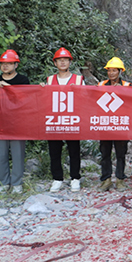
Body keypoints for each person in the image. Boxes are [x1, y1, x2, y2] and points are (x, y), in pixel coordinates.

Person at [43, 47, 84, 192]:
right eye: (59, 60)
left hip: (72, 119)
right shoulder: (49, 80)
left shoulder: (78, 79)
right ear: (55, 63)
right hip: (54, 119)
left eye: (65, 60)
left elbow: (85, 98)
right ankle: (57, 178)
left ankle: (75, 178)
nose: (62, 62)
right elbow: (44, 99)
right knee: (54, 150)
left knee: (74, 149)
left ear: (69, 62)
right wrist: (41, 89)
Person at [0, 50, 30, 194]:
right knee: (0, 154)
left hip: (18, 123)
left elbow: (25, 100)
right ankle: (3, 183)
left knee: (17, 154)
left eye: (9, 63)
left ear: (16, 65)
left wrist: (7, 87)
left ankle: (17, 183)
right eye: (3, 64)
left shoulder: (23, 80)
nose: (5, 66)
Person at [97, 57, 131, 191]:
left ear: (120, 71)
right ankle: (106, 180)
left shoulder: (127, 86)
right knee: (105, 153)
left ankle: (120, 179)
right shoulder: (101, 85)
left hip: (121, 124)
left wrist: (123, 91)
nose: (111, 73)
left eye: (114, 70)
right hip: (105, 124)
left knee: (120, 154)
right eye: (109, 70)